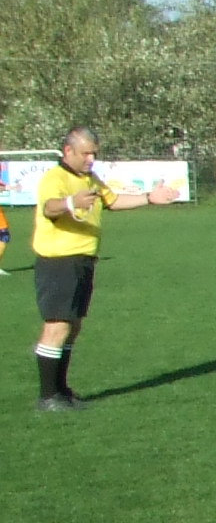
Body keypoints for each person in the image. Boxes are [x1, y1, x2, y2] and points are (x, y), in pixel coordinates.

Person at [31, 126, 178, 410]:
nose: (91, 159)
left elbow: (112, 200)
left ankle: (61, 391)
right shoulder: (55, 177)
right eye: (86, 153)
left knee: (72, 326)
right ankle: (47, 396)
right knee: (57, 326)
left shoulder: (89, 179)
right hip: (59, 262)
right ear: (68, 151)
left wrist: (149, 197)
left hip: (83, 261)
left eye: (94, 154)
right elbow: (49, 207)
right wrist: (71, 202)